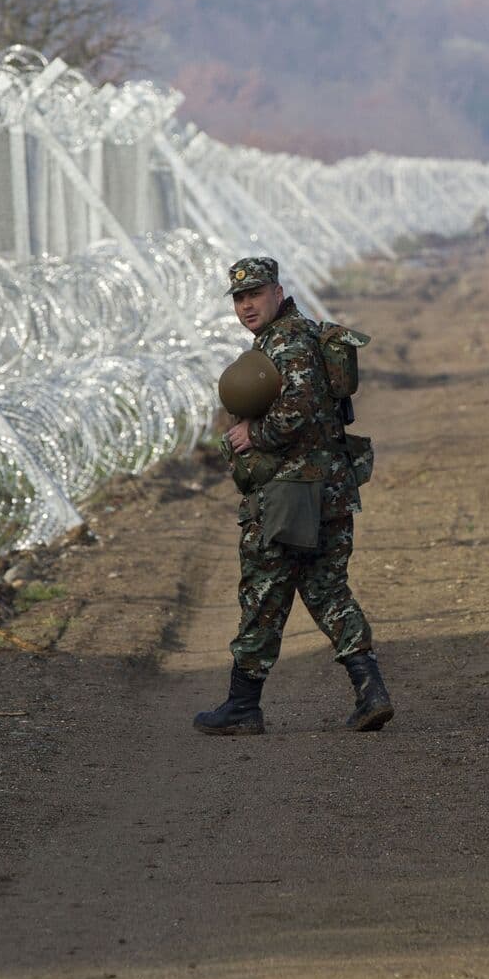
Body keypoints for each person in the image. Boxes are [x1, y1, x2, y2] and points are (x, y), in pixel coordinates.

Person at [194, 256, 393, 736]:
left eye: (255, 295)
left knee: (264, 593)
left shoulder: (288, 342)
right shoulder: (295, 337)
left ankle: (243, 706)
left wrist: (250, 435)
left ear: (278, 293)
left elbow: (297, 414)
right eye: (240, 299)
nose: (246, 306)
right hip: (328, 491)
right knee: (326, 591)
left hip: (293, 495)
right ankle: (371, 691)